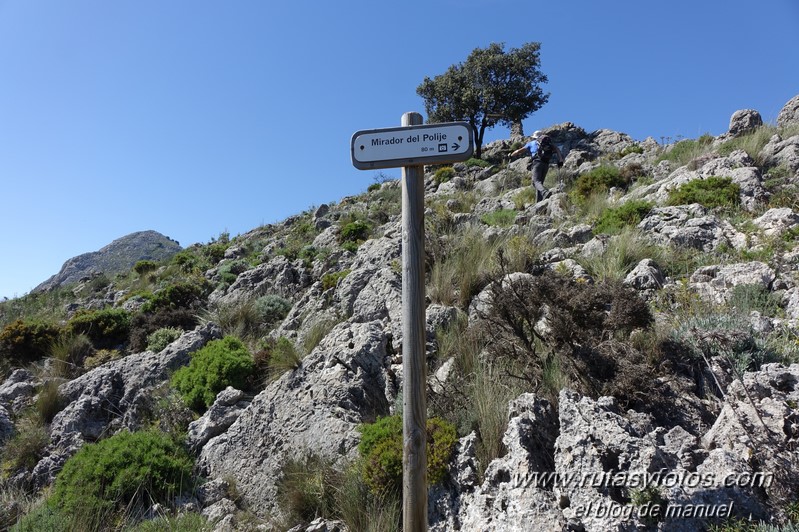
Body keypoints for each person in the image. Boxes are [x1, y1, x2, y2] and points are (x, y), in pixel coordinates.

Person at [510, 130, 565, 202]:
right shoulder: (549, 144)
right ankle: (539, 202)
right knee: (540, 183)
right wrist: (560, 160)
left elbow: (519, 151)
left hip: (537, 162)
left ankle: (545, 192)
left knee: (535, 181)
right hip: (546, 164)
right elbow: (557, 149)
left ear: (535, 137)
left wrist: (511, 155)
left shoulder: (532, 143)